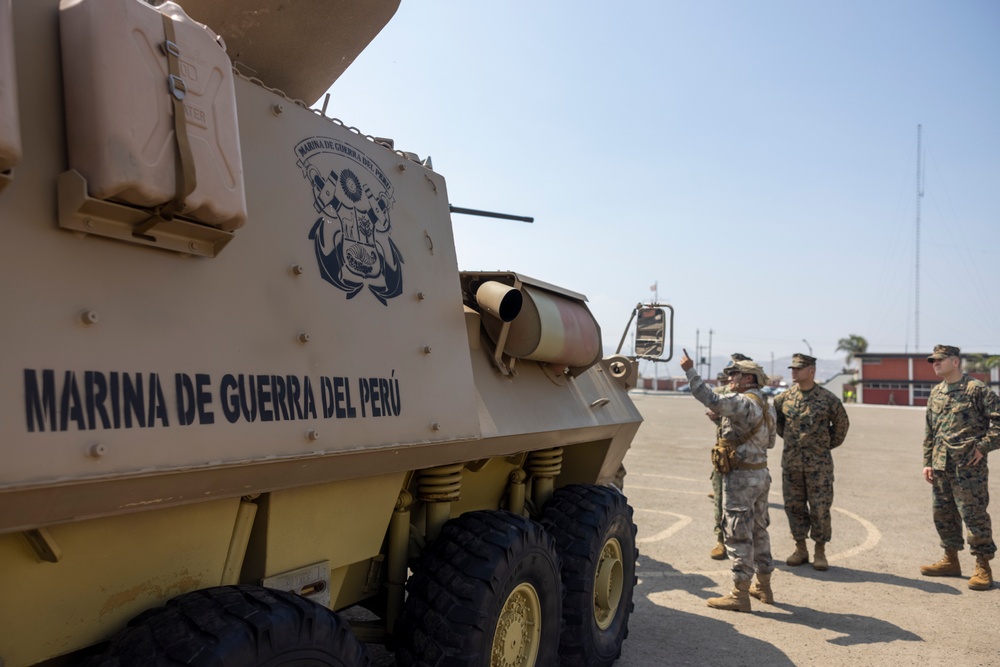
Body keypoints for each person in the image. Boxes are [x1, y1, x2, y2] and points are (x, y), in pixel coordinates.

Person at [681, 349, 777, 612]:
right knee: (759, 529)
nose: (730, 377)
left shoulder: (742, 402)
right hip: (761, 473)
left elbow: (709, 398)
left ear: (749, 379)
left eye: (735, 373)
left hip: (741, 478)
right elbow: (770, 441)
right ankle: (764, 587)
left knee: (737, 533)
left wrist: (690, 370)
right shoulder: (766, 404)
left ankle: (739, 594)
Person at [919, 345, 999, 590]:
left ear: (955, 362)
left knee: (973, 515)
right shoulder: (936, 392)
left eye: (940, 360)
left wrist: (983, 447)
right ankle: (950, 560)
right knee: (943, 515)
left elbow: (998, 422)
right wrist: (928, 462)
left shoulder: (977, 389)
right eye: (933, 360)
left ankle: (983, 566)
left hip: (968, 466)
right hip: (941, 465)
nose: (935, 363)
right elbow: (930, 431)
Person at [774, 353, 850, 571]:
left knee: (820, 508)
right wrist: (793, 442)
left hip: (819, 466)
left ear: (812, 371)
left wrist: (822, 446)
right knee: (794, 506)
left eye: (799, 368)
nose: (794, 371)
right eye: (792, 368)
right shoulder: (783, 399)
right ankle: (800, 548)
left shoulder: (828, 399)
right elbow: (779, 425)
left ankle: (820, 550)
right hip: (791, 464)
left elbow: (841, 426)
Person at [707, 353, 754, 560]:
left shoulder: (753, 397)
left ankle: (747, 543)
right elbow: (711, 403)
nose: (731, 377)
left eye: (736, 372)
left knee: (748, 505)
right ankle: (720, 540)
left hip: (747, 459)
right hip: (724, 456)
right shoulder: (721, 393)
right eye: (731, 372)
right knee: (720, 500)